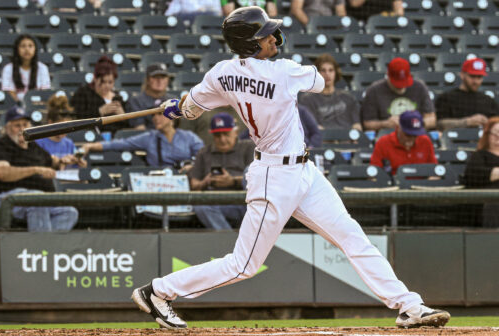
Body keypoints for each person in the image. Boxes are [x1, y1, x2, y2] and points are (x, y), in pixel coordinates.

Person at [131, 6, 450, 330]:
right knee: (243, 265)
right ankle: (158, 291)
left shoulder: (220, 73)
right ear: (251, 42)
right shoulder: (283, 71)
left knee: (351, 235)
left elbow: (192, 106)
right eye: (265, 33)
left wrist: (176, 106)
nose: (273, 37)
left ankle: (408, 305)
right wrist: (186, 105)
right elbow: (317, 80)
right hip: (273, 177)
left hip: (303, 172)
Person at [0, 106, 78, 232]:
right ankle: (39, 248)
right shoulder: (1, 145)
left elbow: (53, 161)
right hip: (6, 201)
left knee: (69, 212)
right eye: (17, 125)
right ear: (7, 128)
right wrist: (36, 170)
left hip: (37, 200)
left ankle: (44, 248)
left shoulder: (34, 147)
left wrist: (65, 160)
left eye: (25, 124)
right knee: (37, 200)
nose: (22, 129)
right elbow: (1, 172)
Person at [190, 113, 255, 230]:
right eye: (217, 135)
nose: (222, 139)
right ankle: (229, 241)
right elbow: (194, 184)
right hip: (218, 203)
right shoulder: (204, 152)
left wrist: (232, 181)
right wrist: (205, 182)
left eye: (226, 134)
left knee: (249, 170)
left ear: (235, 131)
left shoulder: (249, 146)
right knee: (201, 207)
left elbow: (260, 179)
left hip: (246, 202)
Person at [80, 110, 203, 169]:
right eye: (153, 115)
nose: (155, 118)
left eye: (160, 114)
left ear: (173, 117)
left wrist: (191, 166)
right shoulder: (149, 137)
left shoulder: (189, 137)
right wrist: (90, 146)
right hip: (160, 182)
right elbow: (120, 144)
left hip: (185, 181)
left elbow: (203, 157)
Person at [361, 57, 436, 132]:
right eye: (397, 83)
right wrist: (385, 123)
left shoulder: (419, 87)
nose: (401, 86)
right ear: (388, 75)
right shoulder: (374, 90)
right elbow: (367, 123)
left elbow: (432, 119)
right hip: (387, 133)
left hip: (415, 132)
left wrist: (414, 122)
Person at [299, 53, 361, 130]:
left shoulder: (348, 98)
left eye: (330, 70)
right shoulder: (307, 100)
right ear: (317, 73)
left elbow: (357, 125)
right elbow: (312, 128)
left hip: (347, 140)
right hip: (323, 140)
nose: (327, 74)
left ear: (336, 73)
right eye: (323, 70)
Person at [70, 56, 128, 136]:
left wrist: (123, 116)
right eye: (103, 82)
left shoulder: (118, 98)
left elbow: (128, 126)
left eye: (110, 82)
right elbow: (76, 118)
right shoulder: (83, 93)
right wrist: (99, 112)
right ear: (95, 79)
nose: (107, 86)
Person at [436, 58, 499, 131]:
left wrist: (488, 122)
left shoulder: (488, 101)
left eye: (479, 77)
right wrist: (467, 122)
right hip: (455, 140)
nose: (476, 81)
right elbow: (439, 124)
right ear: (462, 75)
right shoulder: (446, 98)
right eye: (472, 76)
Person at [370, 110, 437, 175]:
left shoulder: (425, 141)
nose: (412, 139)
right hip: (394, 184)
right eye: (408, 135)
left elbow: (434, 171)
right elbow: (374, 174)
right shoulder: (383, 142)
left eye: (415, 135)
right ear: (399, 127)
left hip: (422, 184)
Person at [463, 117, 499, 227]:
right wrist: (494, 173)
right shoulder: (480, 155)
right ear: (487, 135)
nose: (498, 137)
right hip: (489, 201)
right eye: (495, 133)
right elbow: (472, 175)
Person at [35, 94, 87, 169]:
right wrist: (59, 162)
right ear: (50, 122)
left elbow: (79, 165)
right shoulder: (39, 143)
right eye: (61, 126)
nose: (65, 130)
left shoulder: (69, 143)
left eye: (67, 126)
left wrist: (81, 164)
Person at [1, 34, 50, 102]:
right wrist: (22, 105)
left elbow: (44, 92)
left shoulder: (43, 68)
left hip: (37, 105)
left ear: (35, 49)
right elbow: (9, 93)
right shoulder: (8, 68)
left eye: (30, 46)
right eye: (23, 46)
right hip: (16, 106)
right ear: (17, 49)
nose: (27, 49)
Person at [126, 63, 175, 130]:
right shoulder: (136, 101)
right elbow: (140, 129)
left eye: (163, 77)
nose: (159, 81)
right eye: (155, 77)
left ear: (168, 80)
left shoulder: (173, 100)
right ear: (148, 80)